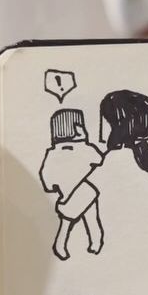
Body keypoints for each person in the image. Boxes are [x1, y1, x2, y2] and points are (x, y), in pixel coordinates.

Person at [39, 108, 105, 259]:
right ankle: (95, 243)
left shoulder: (53, 153)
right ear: (80, 128)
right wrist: (85, 139)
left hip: (69, 193)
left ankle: (92, 242)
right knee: (89, 219)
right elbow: (99, 159)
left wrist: (54, 186)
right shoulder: (84, 148)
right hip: (82, 192)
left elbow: (46, 178)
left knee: (69, 222)